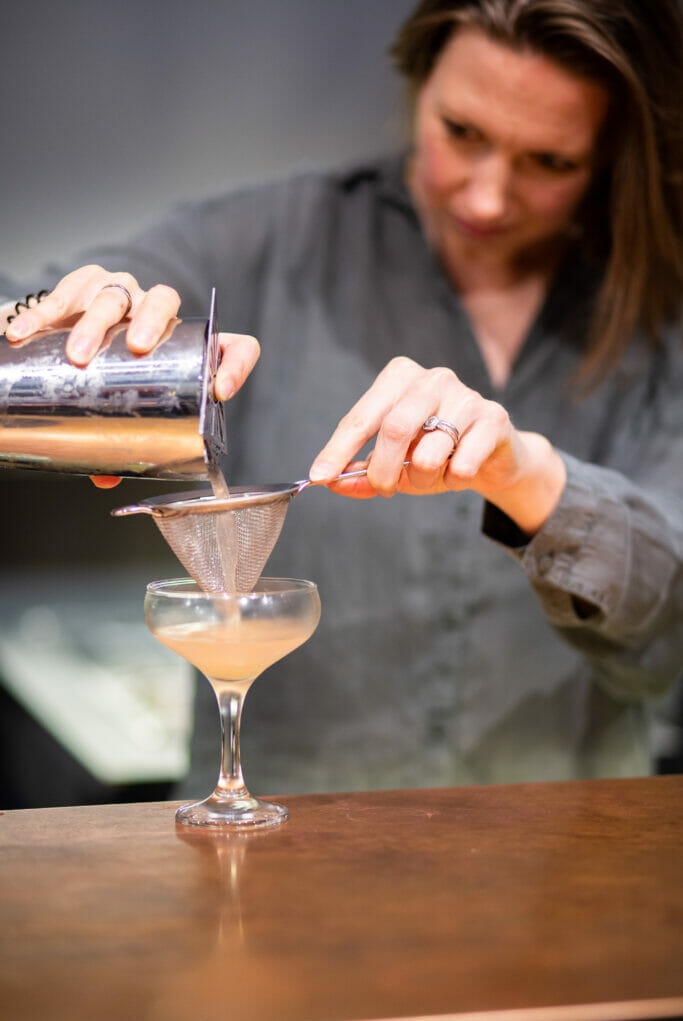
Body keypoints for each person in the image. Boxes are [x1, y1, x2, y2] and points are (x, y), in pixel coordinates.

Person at [2, 0, 681, 796]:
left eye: (549, 162)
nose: (488, 197)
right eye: (461, 133)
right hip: (283, 875)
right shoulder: (276, 239)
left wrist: (524, 472)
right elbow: (25, 306)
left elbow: (665, 638)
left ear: (609, 156)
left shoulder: (657, 311)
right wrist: (47, 325)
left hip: (556, 872)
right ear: (418, 86)